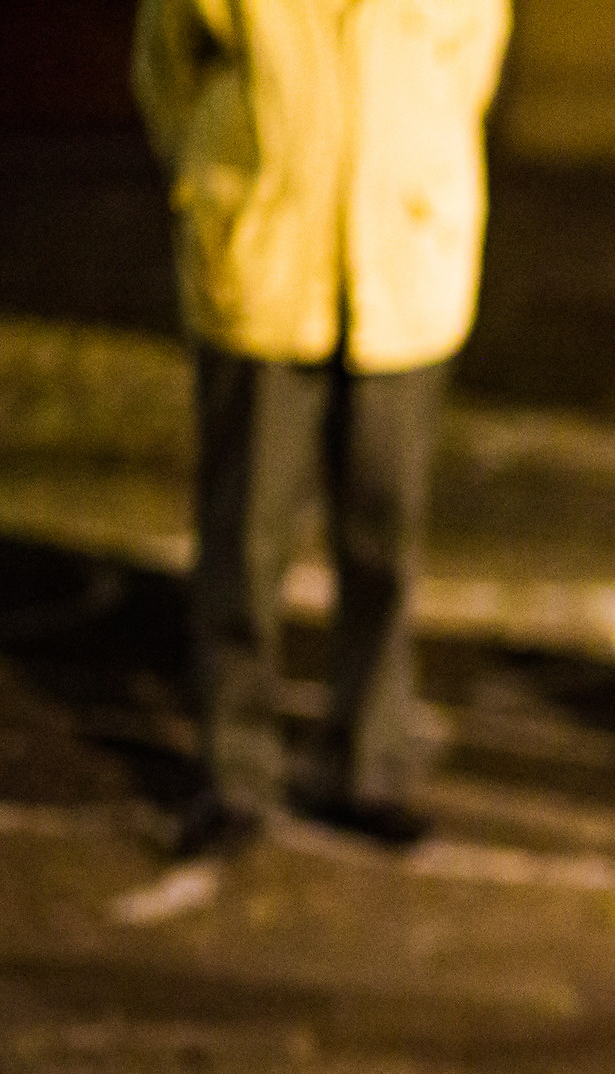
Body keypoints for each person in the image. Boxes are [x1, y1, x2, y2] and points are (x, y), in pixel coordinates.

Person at [131, 0, 512, 856]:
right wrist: (222, 170)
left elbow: (471, 60)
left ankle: (366, 765)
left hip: (403, 264)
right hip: (266, 261)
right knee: (245, 538)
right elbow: (167, 63)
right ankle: (236, 774)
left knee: (385, 539)